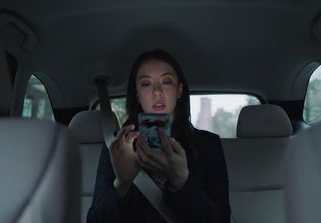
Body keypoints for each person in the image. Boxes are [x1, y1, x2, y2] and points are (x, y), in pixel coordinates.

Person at [87, 49, 231, 223]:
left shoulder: (209, 145)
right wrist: (122, 184)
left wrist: (181, 181)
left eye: (167, 81)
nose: (157, 91)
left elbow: (221, 220)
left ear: (179, 91)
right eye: (146, 84)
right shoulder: (118, 144)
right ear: (137, 95)